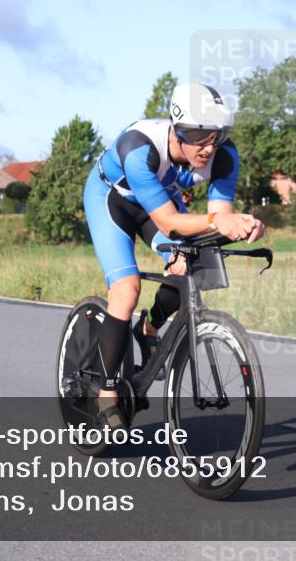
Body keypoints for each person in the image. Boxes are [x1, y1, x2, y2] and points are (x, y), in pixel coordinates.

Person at [83, 82, 265, 429]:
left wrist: (244, 225)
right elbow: (167, 221)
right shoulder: (139, 148)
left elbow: (216, 220)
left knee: (188, 265)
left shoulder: (225, 157)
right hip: (112, 200)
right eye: (199, 136)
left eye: (217, 135)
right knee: (126, 289)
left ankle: (149, 327)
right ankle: (106, 392)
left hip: (160, 201)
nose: (209, 147)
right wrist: (219, 222)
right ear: (178, 127)